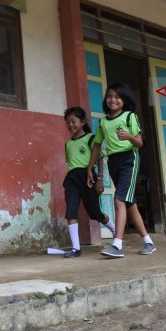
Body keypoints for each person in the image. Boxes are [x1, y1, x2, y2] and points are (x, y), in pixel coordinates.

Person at [86, 83, 156, 258]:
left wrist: (129, 136)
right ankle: (148, 242)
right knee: (129, 203)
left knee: (119, 199)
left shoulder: (129, 116)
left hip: (129, 160)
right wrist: (90, 168)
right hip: (113, 162)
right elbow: (96, 146)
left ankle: (117, 245)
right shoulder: (103, 121)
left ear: (124, 100)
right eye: (110, 96)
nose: (113, 100)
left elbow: (140, 143)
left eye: (117, 97)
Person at [62, 107, 116, 258]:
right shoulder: (67, 144)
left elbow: (99, 159)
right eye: (67, 123)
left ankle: (115, 232)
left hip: (88, 177)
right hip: (72, 179)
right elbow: (70, 162)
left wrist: (99, 180)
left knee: (94, 212)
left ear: (82, 122)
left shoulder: (91, 138)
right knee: (71, 210)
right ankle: (76, 248)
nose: (70, 125)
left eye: (73, 121)